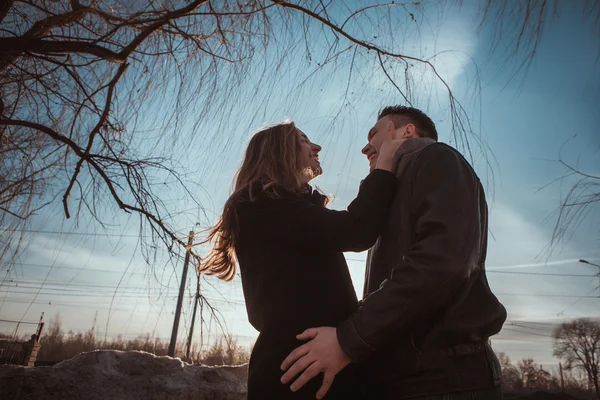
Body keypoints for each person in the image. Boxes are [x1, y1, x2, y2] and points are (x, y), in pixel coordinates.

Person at [281, 106, 508, 400]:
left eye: (374, 134)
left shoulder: (437, 158)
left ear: (406, 131)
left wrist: (348, 339)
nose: (365, 148)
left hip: (442, 381)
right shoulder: (396, 190)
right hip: (406, 379)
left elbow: (440, 264)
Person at [201, 121, 403, 399]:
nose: (317, 147)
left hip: (314, 365)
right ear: (279, 150)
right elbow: (357, 230)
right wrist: (385, 165)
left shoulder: (286, 207)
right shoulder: (260, 203)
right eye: (304, 140)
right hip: (295, 372)